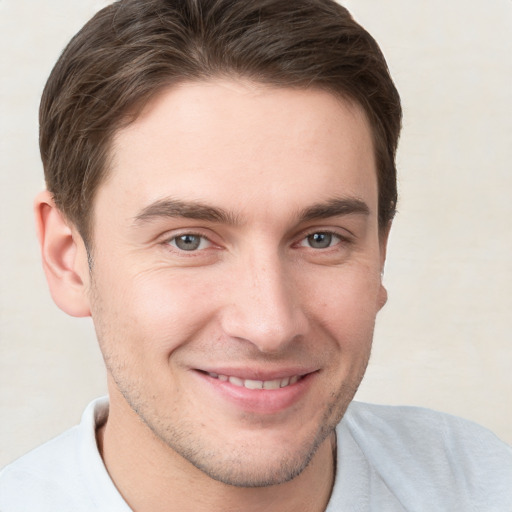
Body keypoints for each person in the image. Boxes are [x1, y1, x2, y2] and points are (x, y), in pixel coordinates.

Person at [0, 0, 510, 510]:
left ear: (380, 251)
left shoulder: (483, 485)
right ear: (67, 258)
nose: (270, 326)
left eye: (321, 239)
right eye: (188, 240)